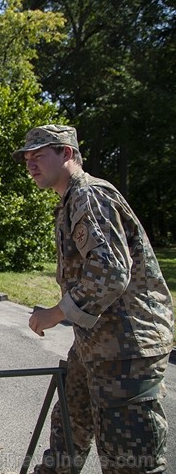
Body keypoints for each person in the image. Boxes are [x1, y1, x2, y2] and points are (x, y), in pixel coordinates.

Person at [14, 125, 173, 473]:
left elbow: (111, 272)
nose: (31, 165)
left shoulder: (90, 196)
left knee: (129, 460)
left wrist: (56, 313)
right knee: (69, 430)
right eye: (27, 159)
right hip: (97, 343)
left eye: (39, 156)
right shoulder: (71, 200)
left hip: (126, 349)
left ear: (67, 154)